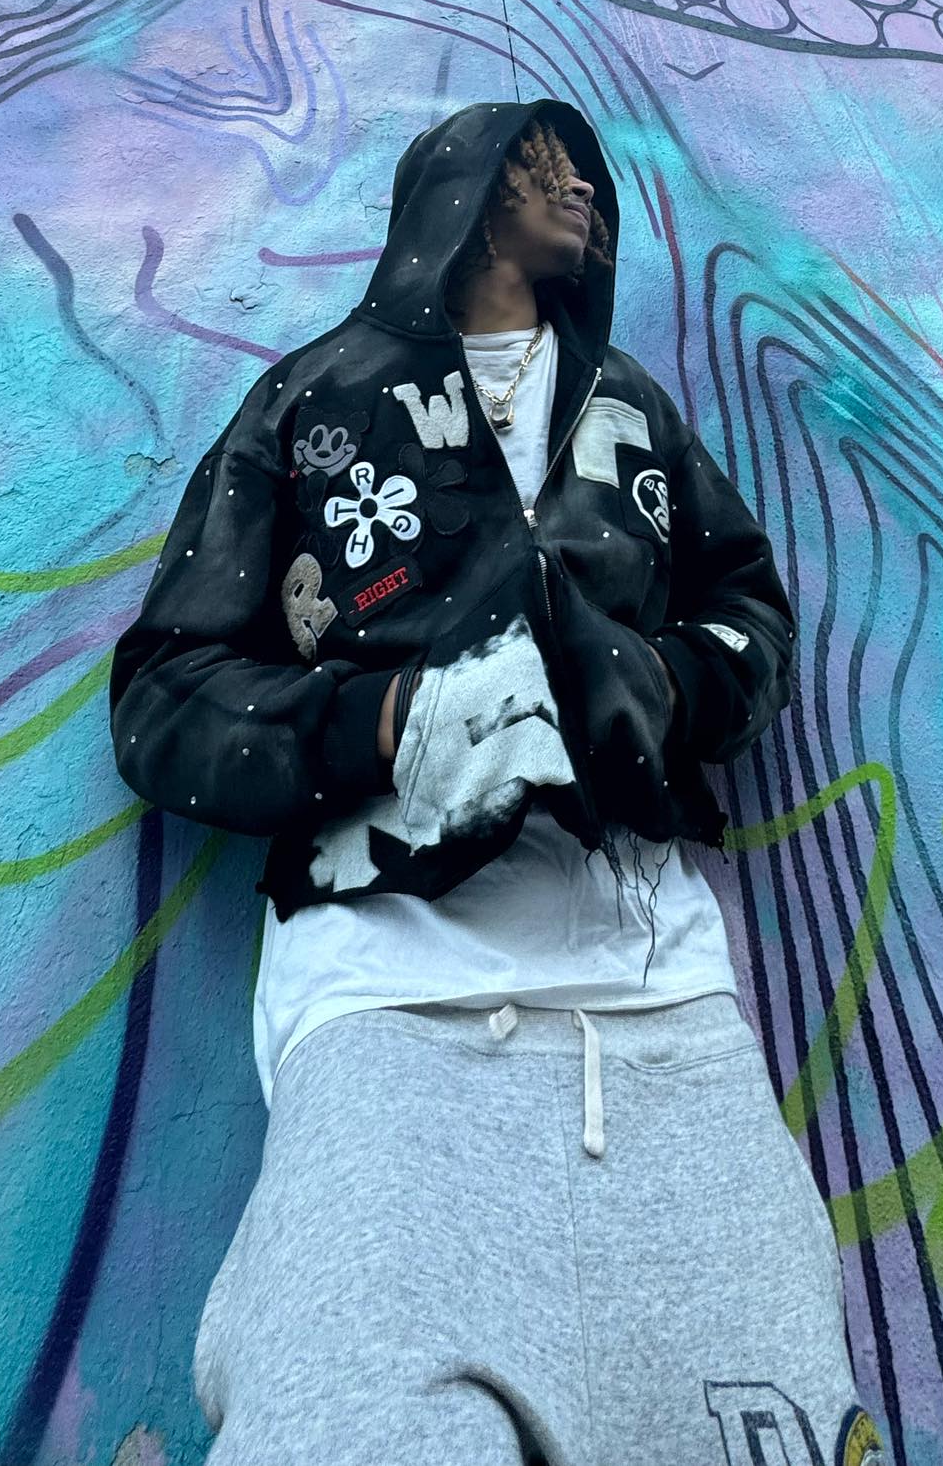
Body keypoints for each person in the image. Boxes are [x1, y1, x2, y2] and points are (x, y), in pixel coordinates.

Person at [108, 98, 884, 1466]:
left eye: (584, 170)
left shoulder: (630, 403)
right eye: (539, 165)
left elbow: (750, 610)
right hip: (387, 1003)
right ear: (457, 196)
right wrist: (387, 721)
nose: (577, 185)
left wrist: (665, 685)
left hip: (668, 1012)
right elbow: (164, 693)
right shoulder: (314, 401)